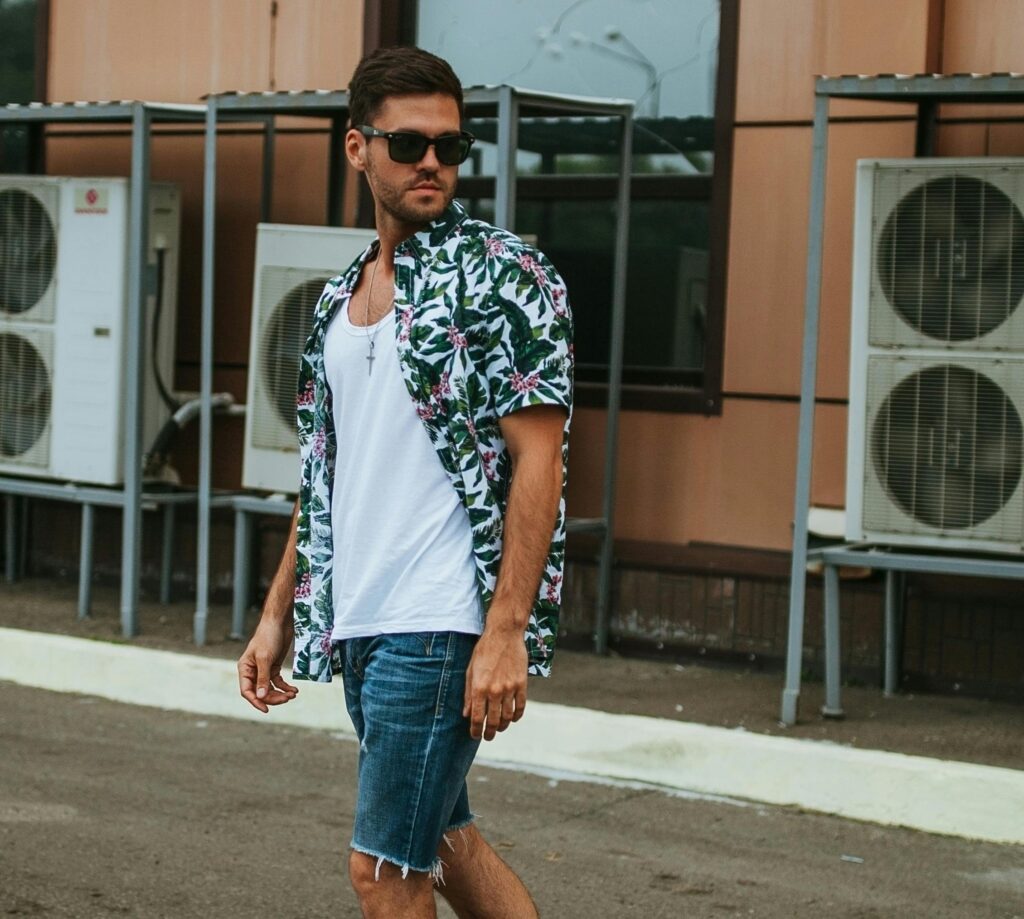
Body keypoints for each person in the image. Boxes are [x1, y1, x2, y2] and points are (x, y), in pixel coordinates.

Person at [236, 46, 573, 918]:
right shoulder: (337, 301)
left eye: (451, 147)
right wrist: (278, 614)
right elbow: (326, 478)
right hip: (362, 619)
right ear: (358, 150)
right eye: (409, 143)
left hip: (439, 625)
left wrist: (505, 631)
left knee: (383, 873)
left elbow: (543, 459)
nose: (433, 162)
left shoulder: (506, 278)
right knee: (446, 843)